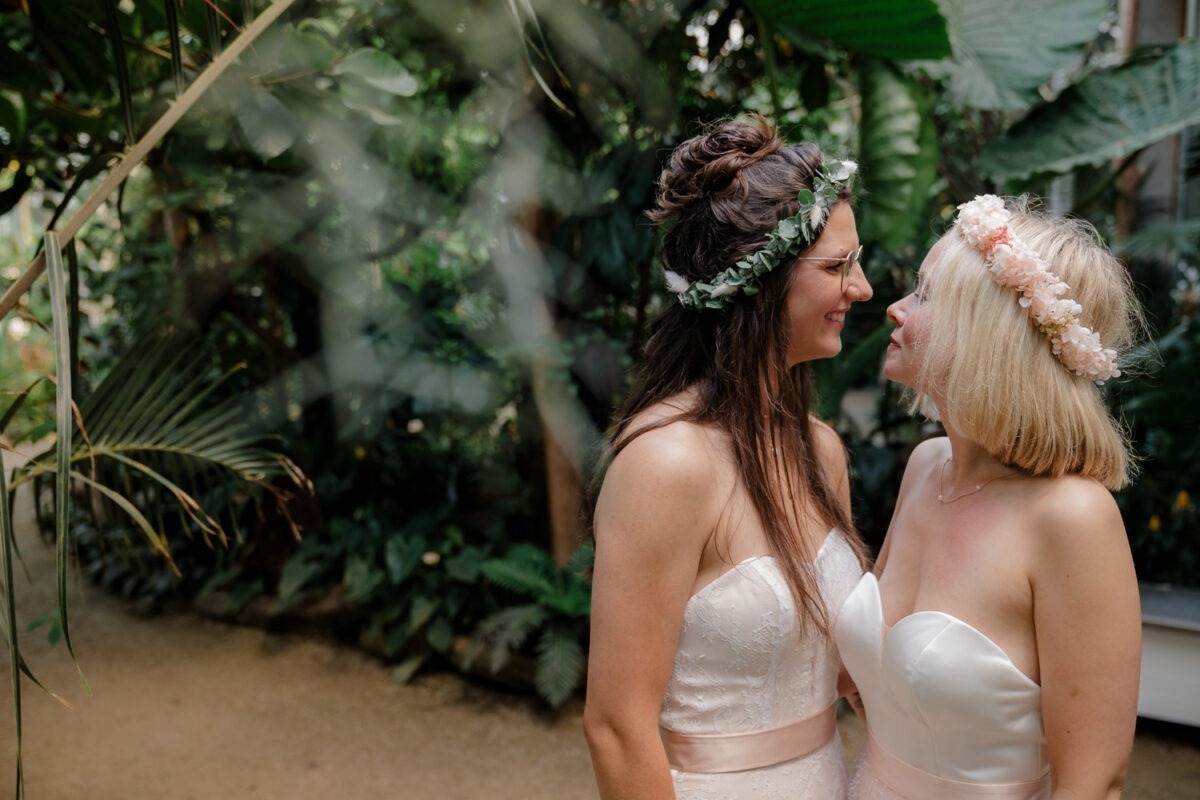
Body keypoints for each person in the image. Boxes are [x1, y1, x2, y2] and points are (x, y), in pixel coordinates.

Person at [583, 114, 874, 799]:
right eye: (837, 267)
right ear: (761, 284)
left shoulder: (821, 450)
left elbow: (839, 671)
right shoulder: (666, 465)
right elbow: (616, 727)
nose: (860, 289)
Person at [836, 194, 1143, 799]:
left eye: (924, 295)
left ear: (983, 331)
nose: (894, 309)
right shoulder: (927, 468)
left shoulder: (1071, 518)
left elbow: (1094, 783)